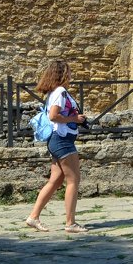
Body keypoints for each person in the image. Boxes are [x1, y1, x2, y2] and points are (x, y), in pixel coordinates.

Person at [25, 60, 90, 232]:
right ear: (61, 74)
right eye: (68, 72)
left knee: (55, 180)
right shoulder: (60, 91)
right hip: (62, 140)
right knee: (73, 180)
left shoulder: (54, 92)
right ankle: (70, 223)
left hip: (56, 140)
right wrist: (74, 119)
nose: (71, 75)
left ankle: (33, 217)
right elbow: (54, 116)